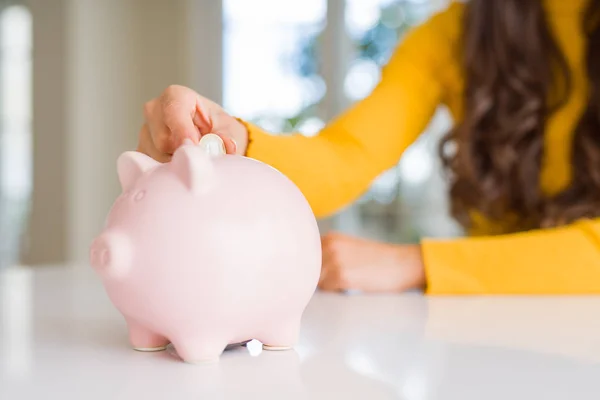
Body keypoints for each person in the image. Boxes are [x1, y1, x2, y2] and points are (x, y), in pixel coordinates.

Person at [137, 0, 600, 295]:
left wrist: (418, 264)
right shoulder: (454, 33)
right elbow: (345, 158)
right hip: (482, 330)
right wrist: (233, 138)